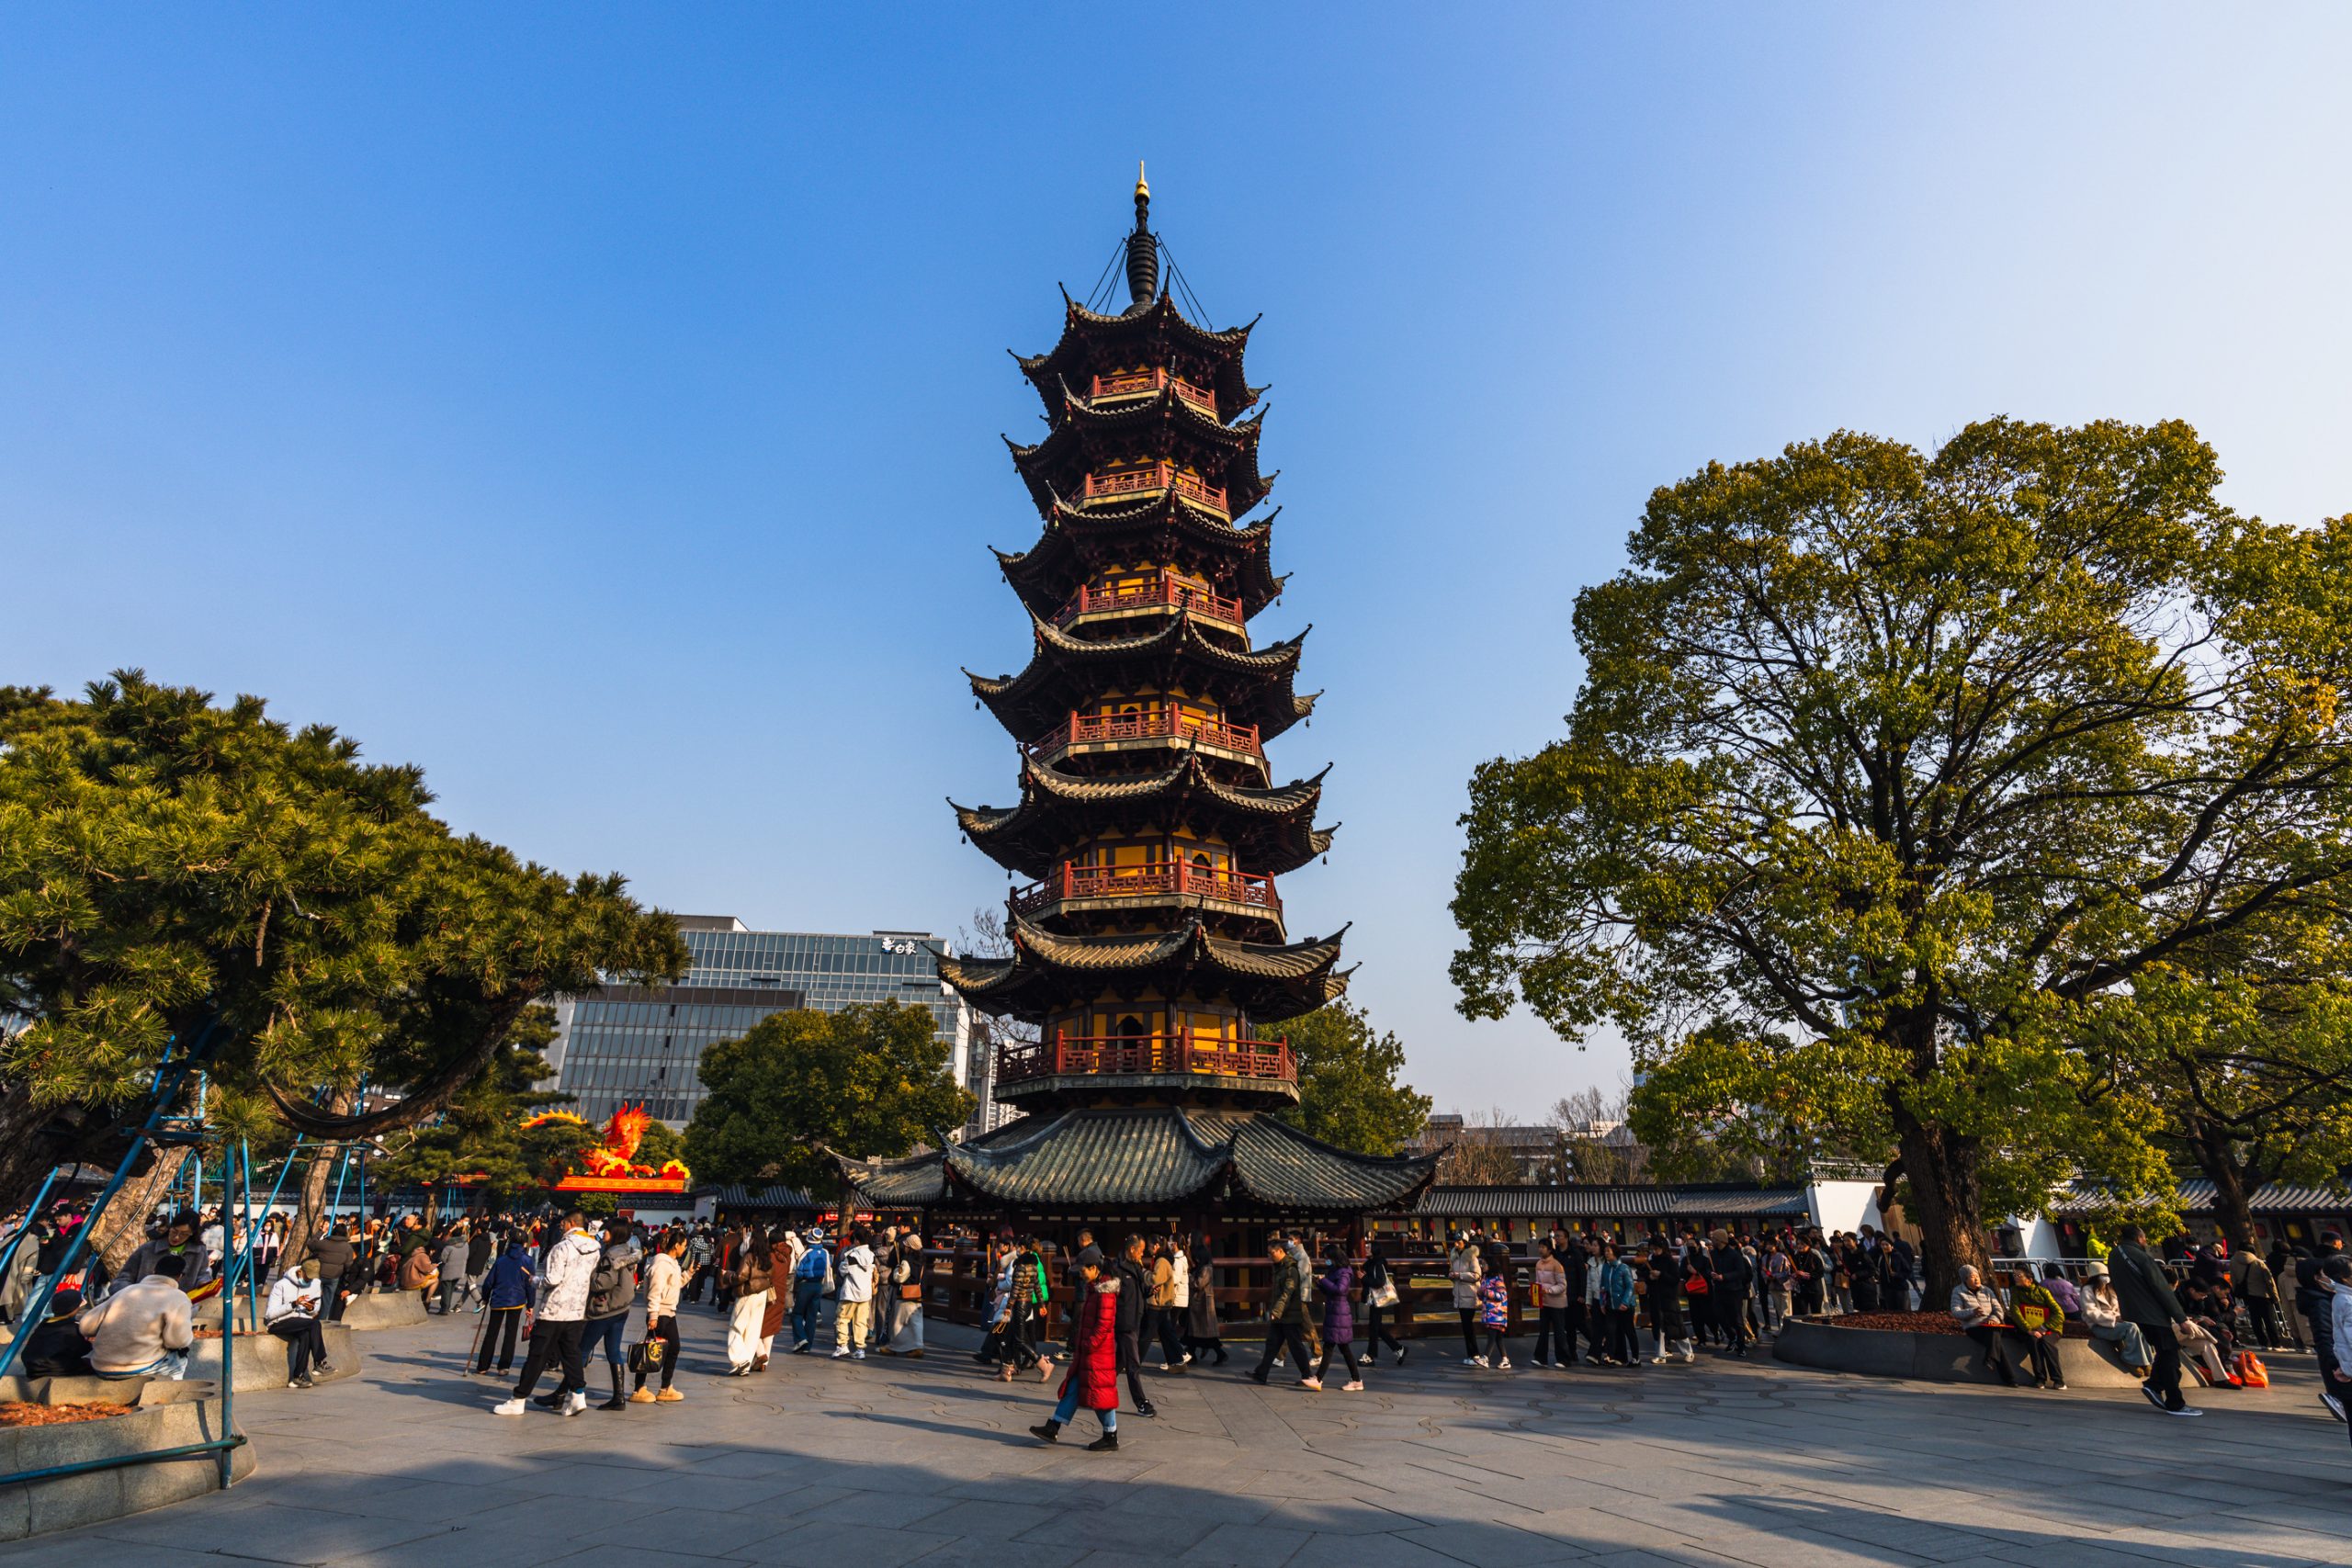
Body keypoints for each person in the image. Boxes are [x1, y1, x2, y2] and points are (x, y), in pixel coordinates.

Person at [492, 1210, 599, 1417]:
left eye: (563, 1224)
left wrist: (534, 1280)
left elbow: (552, 1279)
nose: (560, 1227)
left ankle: (518, 1399)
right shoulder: (594, 1248)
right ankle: (578, 1394)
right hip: (577, 1309)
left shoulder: (562, 1247)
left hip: (554, 1310)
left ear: (570, 1223)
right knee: (571, 1354)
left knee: (537, 1355)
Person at [1030, 1246, 1121, 1451]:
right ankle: (1053, 1427)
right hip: (1089, 1352)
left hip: (1097, 1354)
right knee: (1073, 1388)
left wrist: (1089, 1345)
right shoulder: (1095, 1288)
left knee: (1100, 1394)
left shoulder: (1105, 1293)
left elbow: (1104, 1325)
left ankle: (1111, 1435)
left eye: (1083, 1270)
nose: (1081, 1274)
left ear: (1094, 1268)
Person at [2109, 1224, 2201, 1417]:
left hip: (2133, 1311)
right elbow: (2162, 1289)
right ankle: (2174, 1402)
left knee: (2166, 1352)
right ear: (2139, 1238)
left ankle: (2154, 1385)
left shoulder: (2114, 1255)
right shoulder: (2142, 1257)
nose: (2146, 1241)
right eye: (2144, 1238)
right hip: (2152, 1313)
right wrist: (2181, 1318)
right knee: (2170, 1355)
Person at [78, 1251, 197, 1380]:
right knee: (180, 1360)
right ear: (180, 1276)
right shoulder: (178, 1297)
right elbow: (177, 1341)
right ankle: (172, 1390)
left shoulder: (127, 1290)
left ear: (154, 1271)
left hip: (101, 1365)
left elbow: (85, 1327)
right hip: (140, 1366)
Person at [580, 1220, 642, 1411]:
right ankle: (618, 1397)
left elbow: (604, 1282)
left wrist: (590, 1275)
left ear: (615, 1232)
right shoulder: (627, 1251)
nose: (603, 1233)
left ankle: (567, 1391)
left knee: (582, 1349)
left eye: (606, 1230)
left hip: (606, 1308)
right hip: (621, 1308)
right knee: (613, 1351)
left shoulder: (612, 1255)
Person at [1250, 1235, 1317, 1389]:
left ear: (1280, 1251)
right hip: (1281, 1315)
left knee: (1296, 1346)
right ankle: (1261, 1374)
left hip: (1289, 1314)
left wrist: (1276, 1311)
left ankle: (1308, 1376)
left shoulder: (1290, 1269)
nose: (1270, 1256)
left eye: (1272, 1252)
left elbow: (1287, 1293)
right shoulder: (1279, 1267)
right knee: (1272, 1344)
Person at [630, 1230, 686, 1404]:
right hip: (660, 1313)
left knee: (671, 1348)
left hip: (668, 1312)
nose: (685, 1249)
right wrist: (653, 1315)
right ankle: (640, 1389)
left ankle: (664, 1387)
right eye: (684, 1245)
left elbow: (674, 1286)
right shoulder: (661, 1264)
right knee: (650, 1349)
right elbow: (656, 1290)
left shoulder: (672, 1264)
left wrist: (689, 1274)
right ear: (676, 1245)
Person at [1950, 1264, 2024, 1387]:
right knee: (1996, 1341)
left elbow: (1998, 1309)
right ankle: (2008, 1376)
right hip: (1974, 1326)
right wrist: (1972, 1312)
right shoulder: (1958, 1291)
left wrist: (1993, 1319)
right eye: (1972, 1277)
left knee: (1994, 1332)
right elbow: (1956, 1312)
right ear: (1965, 1279)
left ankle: (1993, 1361)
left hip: (1992, 1324)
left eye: (1977, 1276)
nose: (1976, 1279)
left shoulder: (1987, 1290)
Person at [266, 1258, 332, 1389]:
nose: (309, 1281)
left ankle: (297, 1377)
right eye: (308, 1278)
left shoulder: (315, 1283)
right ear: (301, 1272)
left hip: (302, 1323)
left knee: (306, 1335)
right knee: (314, 1324)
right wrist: (293, 1304)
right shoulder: (281, 1285)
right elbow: (270, 1314)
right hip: (279, 1322)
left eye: (312, 1278)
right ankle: (319, 1362)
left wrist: (311, 1308)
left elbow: (315, 1310)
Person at [2076, 1262, 2152, 1374]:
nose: (2106, 1277)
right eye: (2103, 1275)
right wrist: (2113, 1319)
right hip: (2099, 1326)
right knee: (2130, 1327)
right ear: (2095, 1277)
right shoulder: (2087, 1290)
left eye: (2107, 1275)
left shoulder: (2110, 1289)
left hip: (2115, 1322)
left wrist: (2123, 1317)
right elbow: (2091, 1312)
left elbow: (2118, 1308)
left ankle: (2146, 1361)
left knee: (2140, 1326)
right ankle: (2131, 1359)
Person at [475, 1235, 535, 1376]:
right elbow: (530, 1284)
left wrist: (485, 1297)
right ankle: (504, 1365)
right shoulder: (527, 1260)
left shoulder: (501, 1260)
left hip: (499, 1299)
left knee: (491, 1333)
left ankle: (483, 1365)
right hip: (517, 1299)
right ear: (524, 1244)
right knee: (511, 1333)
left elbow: (489, 1282)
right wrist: (530, 1304)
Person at [1112, 1235, 1157, 1416]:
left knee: (1118, 1363)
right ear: (1132, 1249)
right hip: (1125, 1322)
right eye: (1141, 1250)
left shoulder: (1137, 1267)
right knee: (1133, 1363)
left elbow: (1141, 1291)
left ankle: (1093, 1391)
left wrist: (1150, 1290)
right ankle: (1141, 1402)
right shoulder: (1118, 1268)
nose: (1142, 1254)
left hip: (1136, 1319)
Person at [1312, 1242, 1363, 1391]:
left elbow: (1340, 1290)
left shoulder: (1344, 1272)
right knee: (1340, 1348)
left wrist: (1324, 1280)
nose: (1326, 1261)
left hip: (1339, 1313)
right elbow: (1330, 1290)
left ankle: (1318, 1378)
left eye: (1327, 1258)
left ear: (1334, 1257)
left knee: (1331, 1347)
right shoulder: (1334, 1270)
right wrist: (1320, 1283)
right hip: (1334, 1311)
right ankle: (1356, 1380)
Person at [2007, 1267, 2068, 1389]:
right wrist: (2029, 1329)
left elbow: (2059, 1314)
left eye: (2019, 1276)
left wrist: (2044, 1328)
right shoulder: (2015, 1291)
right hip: (2030, 1329)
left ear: (2029, 1279)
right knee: (2033, 1341)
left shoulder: (2043, 1292)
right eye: (2014, 1275)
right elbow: (2015, 1312)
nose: (2015, 1278)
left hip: (2050, 1328)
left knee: (2046, 1343)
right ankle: (2040, 1378)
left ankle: (2058, 1380)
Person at [18, 1287, 96, 1377]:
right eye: (79, 1306)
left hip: (32, 1369)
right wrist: (90, 1342)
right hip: (55, 1369)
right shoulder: (72, 1328)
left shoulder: (44, 1324)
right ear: (73, 1309)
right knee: (94, 1363)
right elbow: (83, 1349)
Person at [729, 1224, 775, 1373]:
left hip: (748, 1293)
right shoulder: (767, 1257)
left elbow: (740, 1276)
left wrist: (727, 1276)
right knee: (753, 1331)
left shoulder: (749, 1256)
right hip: (761, 1295)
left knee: (737, 1327)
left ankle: (739, 1360)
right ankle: (746, 1365)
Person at [1361, 1238, 1407, 1366]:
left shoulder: (1378, 1263)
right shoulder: (1370, 1263)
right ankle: (1398, 1348)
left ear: (1375, 1249)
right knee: (1377, 1327)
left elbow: (1379, 1282)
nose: (1366, 1249)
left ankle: (1370, 1356)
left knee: (1374, 1327)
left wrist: (1364, 1278)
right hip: (1374, 1298)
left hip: (1379, 1297)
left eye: (1369, 1247)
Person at [832, 1227, 876, 1359]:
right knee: (861, 1322)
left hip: (850, 1293)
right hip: (865, 1294)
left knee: (842, 1319)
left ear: (857, 1240)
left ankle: (842, 1346)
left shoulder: (851, 1256)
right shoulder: (872, 1256)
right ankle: (860, 1349)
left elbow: (842, 1270)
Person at [1647, 1241, 1692, 1364]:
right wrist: (1650, 1278)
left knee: (1676, 1326)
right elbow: (1646, 1276)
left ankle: (1688, 1352)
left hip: (1669, 1298)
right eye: (1652, 1249)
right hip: (1656, 1298)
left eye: (1656, 1249)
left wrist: (1661, 1275)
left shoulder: (1670, 1262)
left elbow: (1675, 1279)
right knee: (1658, 1327)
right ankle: (1660, 1355)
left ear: (1662, 1248)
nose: (1654, 1252)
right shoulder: (1651, 1261)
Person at [883, 1231, 927, 1359]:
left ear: (910, 1247)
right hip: (917, 1295)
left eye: (907, 1246)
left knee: (898, 1323)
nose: (905, 1248)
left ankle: (893, 1346)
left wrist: (897, 1270)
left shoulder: (907, 1260)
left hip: (905, 1295)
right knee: (916, 1323)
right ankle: (918, 1346)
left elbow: (900, 1277)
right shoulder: (922, 1260)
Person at [1185, 1232, 1224, 1366]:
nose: (1188, 1239)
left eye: (1190, 1237)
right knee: (1195, 1332)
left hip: (1203, 1304)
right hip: (1199, 1303)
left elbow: (1198, 1284)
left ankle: (1220, 1354)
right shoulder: (1202, 1266)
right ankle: (1192, 1355)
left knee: (1204, 1333)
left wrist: (1189, 1276)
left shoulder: (1206, 1268)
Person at [1600, 1243, 1641, 1368]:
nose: (1606, 1253)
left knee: (1629, 1331)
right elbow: (1602, 1286)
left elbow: (1630, 1287)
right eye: (1605, 1251)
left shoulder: (1624, 1268)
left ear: (1615, 1253)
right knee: (1610, 1330)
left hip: (1625, 1306)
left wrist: (1625, 1302)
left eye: (1608, 1251)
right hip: (1611, 1305)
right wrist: (1602, 1302)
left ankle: (1636, 1358)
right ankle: (1611, 1356)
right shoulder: (1605, 1267)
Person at [1531, 1240, 1570, 1368]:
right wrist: (1533, 1289)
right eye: (1539, 1247)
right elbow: (1538, 1281)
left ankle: (1564, 1359)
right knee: (1543, 1330)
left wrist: (1549, 1290)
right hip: (1544, 1302)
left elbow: (1563, 1285)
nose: (1540, 1249)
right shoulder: (1538, 1263)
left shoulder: (1556, 1265)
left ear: (1549, 1250)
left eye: (1543, 1247)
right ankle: (1541, 1358)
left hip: (1557, 1303)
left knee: (1559, 1331)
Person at [789, 1232, 831, 1353]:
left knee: (797, 1314)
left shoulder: (806, 1253)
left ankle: (801, 1339)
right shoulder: (825, 1252)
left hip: (805, 1285)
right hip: (818, 1286)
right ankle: (808, 1347)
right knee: (811, 1317)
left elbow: (798, 1272)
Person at [310, 1221, 357, 1323]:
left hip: (319, 1273)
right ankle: (321, 1321)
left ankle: (309, 1317)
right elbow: (348, 1264)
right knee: (327, 1300)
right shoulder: (348, 1247)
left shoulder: (324, 1243)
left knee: (313, 1296)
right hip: (334, 1276)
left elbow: (311, 1244)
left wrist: (321, 1232)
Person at [1448, 1232, 1483, 1365]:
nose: (1456, 1243)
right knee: (1466, 1326)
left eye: (1459, 1241)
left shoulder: (1471, 1256)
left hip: (1469, 1294)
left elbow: (1477, 1275)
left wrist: (1460, 1275)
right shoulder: (1455, 1256)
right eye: (1455, 1241)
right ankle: (1471, 1355)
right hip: (1460, 1294)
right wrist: (1452, 1276)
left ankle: (1475, 1354)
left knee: (1468, 1326)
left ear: (1465, 1242)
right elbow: (1454, 1274)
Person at [435, 1224, 470, 1315]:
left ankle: (444, 1308)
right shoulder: (466, 1245)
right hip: (460, 1270)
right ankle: (447, 1306)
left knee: (446, 1289)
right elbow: (467, 1256)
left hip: (448, 1271)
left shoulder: (449, 1247)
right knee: (450, 1289)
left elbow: (443, 1259)